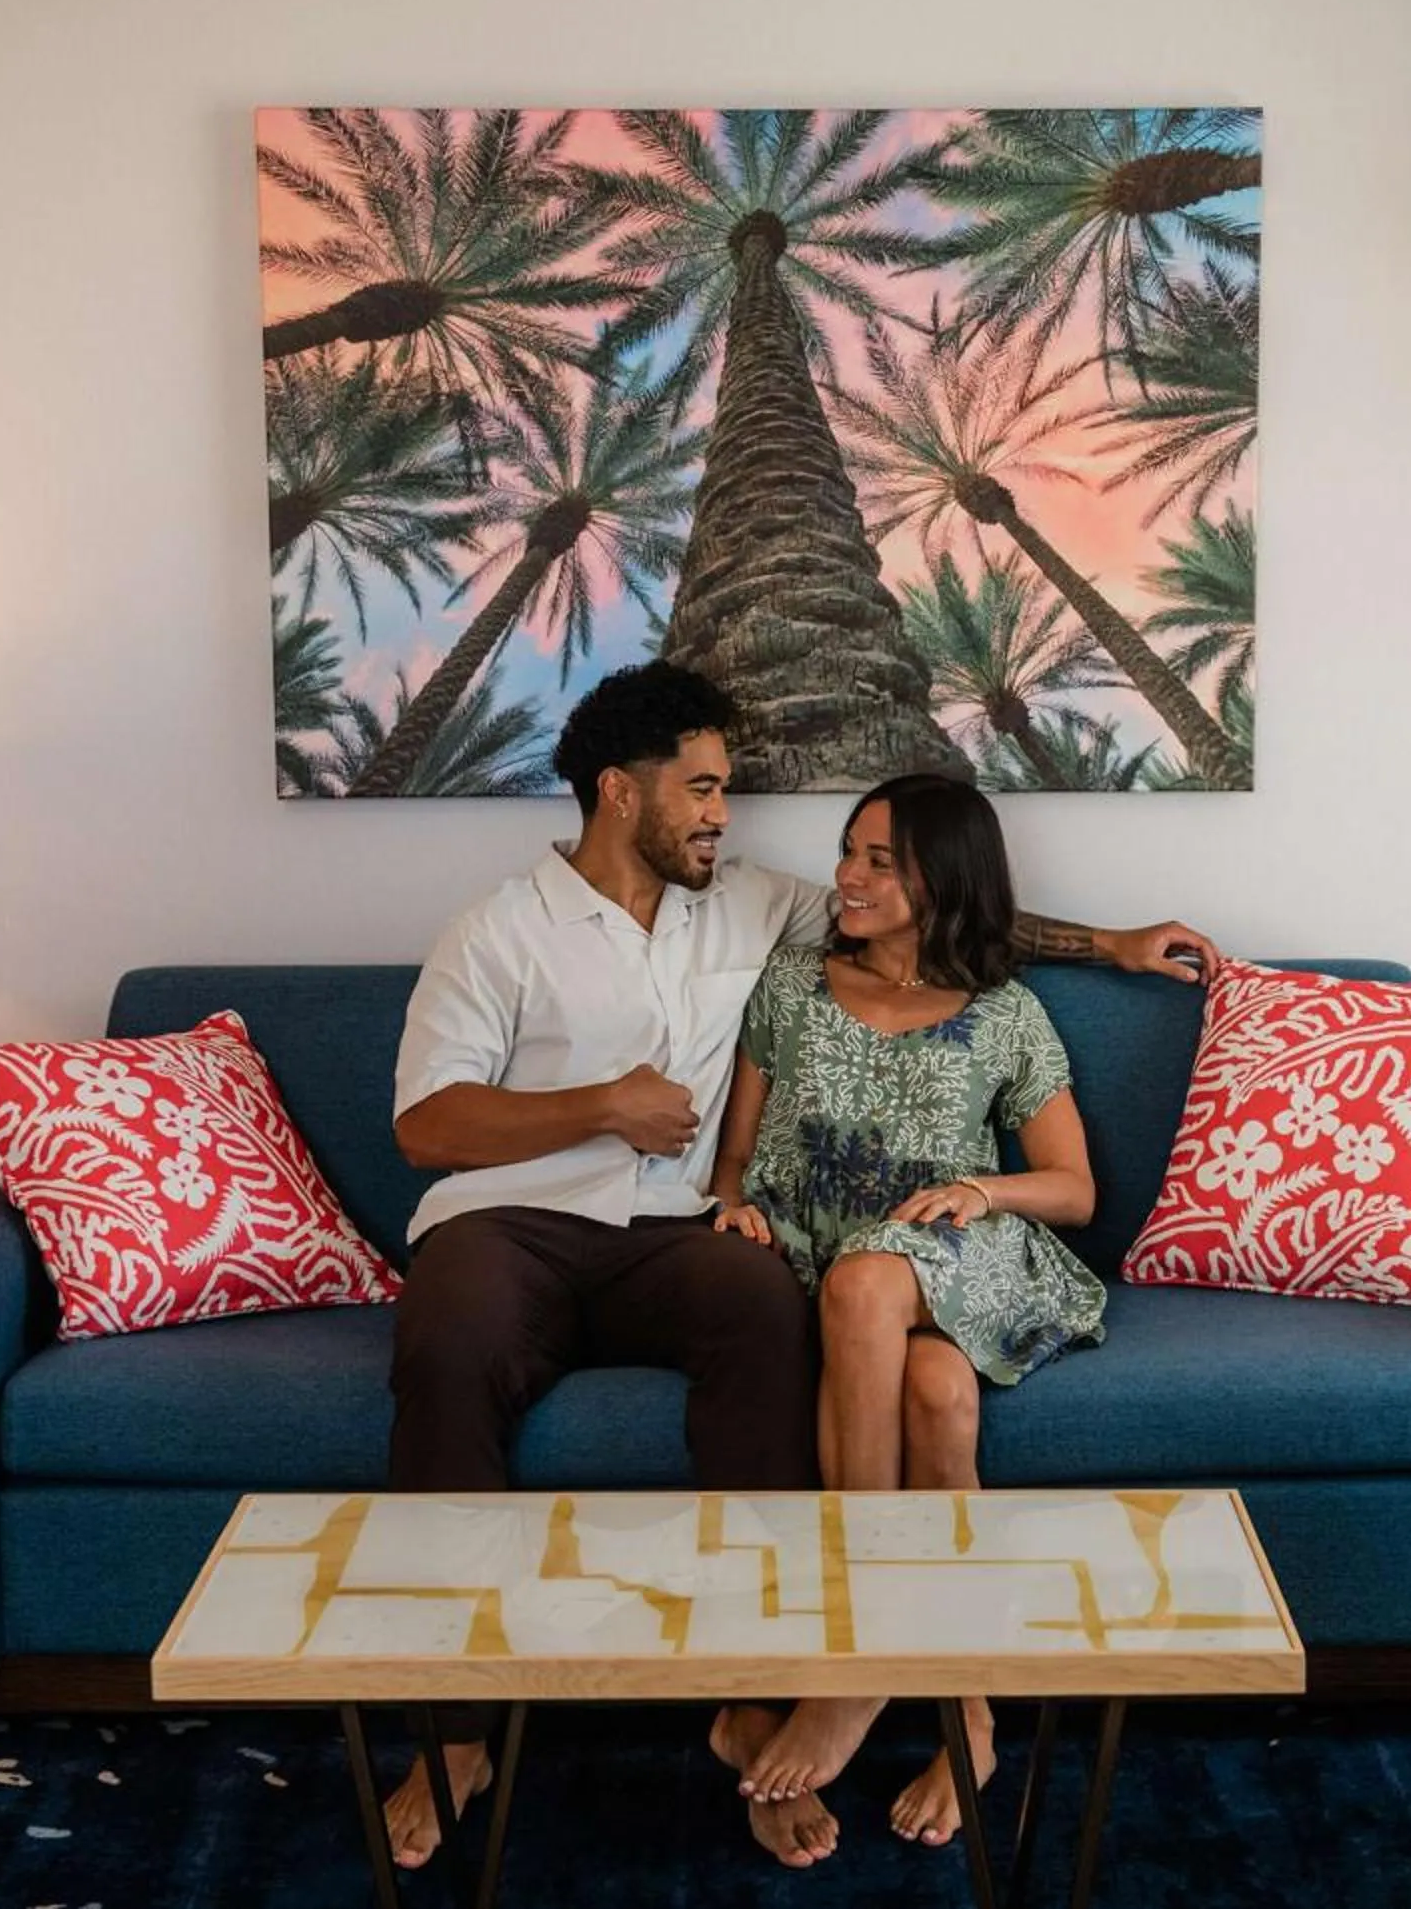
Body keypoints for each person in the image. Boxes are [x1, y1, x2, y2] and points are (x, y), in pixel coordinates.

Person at [383, 663, 1220, 1874]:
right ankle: (454, 1733)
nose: (726, 814)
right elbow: (427, 1127)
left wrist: (1110, 942)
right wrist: (599, 1106)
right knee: (446, 1347)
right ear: (622, 792)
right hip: (512, 1225)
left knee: (762, 1312)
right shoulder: (498, 931)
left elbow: (951, 913)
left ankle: (764, 1703)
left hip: (683, 1231)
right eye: (706, 789)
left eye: (727, 792)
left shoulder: (754, 907)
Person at [707, 772, 1104, 1848]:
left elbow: (1073, 1188)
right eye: (850, 851)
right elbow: (733, 1160)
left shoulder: (1005, 1014)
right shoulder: (792, 984)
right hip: (817, 1261)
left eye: (882, 861)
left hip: (954, 1258)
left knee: (871, 1277)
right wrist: (732, 1210)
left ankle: (860, 1654)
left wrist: (984, 1188)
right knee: (936, 1392)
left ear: (945, 879)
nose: (848, 875)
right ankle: (971, 1715)